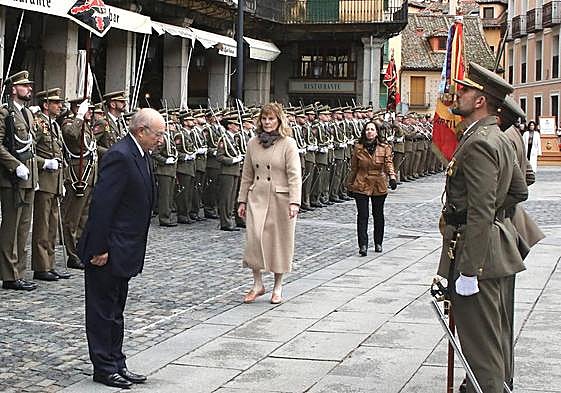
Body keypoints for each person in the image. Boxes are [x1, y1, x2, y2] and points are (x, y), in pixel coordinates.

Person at [437, 62, 528, 393]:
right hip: (496, 247)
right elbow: (518, 191)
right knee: (497, 338)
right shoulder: (499, 137)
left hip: (478, 256)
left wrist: (469, 270)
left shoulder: (477, 142)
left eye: (465, 90)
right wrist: (495, 222)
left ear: (480, 100)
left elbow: (479, 209)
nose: (457, 94)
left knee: (481, 351)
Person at [78, 108, 163, 389]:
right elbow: (102, 206)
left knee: (116, 309)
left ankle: (116, 361)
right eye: (158, 134)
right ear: (141, 131)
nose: (161, 139)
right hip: (108, 249)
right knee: (102, 311)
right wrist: (99, 247)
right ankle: (103, 367)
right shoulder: (120, 155)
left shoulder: (140, 154)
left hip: (125, 249)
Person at [237, 103, 302, 305]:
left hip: (280, 199)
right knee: (254, 240)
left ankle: (278, 286)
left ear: (279, 120)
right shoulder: (253, 143)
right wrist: (241, 200)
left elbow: (294, 175)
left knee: (278, 242)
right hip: (257, 196)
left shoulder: (288, 143)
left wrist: (294, 202)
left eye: (271, 119)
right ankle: (257, 284)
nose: (267, 122)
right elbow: (247, 174)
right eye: (264, 119)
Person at [0, 71, 39, 291]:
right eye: (24, 86)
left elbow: (30, 147)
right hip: (11, 179)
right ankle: (9, 275)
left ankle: (19, 272)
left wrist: (34, 174)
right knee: (10, 228)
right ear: (14, 88)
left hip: (28, 178)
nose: (29, 89)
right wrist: (16, 166)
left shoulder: (27, 114)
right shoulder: (4, 113)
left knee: (24, 227)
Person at [31, 88, 71, 281]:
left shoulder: (54, 125)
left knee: (53, 226)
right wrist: (44, 163)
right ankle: (40, 266)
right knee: (42, 225)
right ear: (46, 105)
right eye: (56, 103)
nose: (60, 106)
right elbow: (29, 150)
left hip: (55, 182)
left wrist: (61, 180)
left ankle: (50, 263)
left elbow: (59, 154)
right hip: (44, 180)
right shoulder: (39, 123)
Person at [347, 121, 397, 256]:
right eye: (367, 129)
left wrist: (392, 177)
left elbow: (388, 163)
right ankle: (362, 245)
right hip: (362, 181)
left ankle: (378, 242)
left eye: (372, 129)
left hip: (378, 182)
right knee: (363, 216)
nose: (369, 131)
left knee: (378, 214)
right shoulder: (358, 147)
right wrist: (350, 184)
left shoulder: (384, 147)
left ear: (376, 132)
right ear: (364, 132)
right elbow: (354, 168)